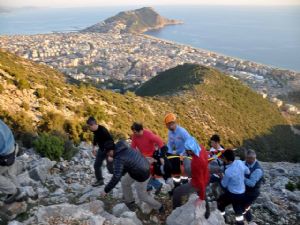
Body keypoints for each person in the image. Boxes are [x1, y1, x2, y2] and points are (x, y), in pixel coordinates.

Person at [102, 140, 164, 213]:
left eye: (108, 153)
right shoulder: (122, 144)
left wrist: (106, 190)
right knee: (124, 182)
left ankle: (160, 207)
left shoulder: (118, 159)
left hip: (142, 175)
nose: (108, 155)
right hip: (140, 166)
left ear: (110, 151)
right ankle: (130, 201)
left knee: (142, 196)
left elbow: (116, 177)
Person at [172, 137, 210, 218]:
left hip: (197, 182)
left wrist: (201, 198)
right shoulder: (201, 147)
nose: (186, 151)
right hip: (205, 175)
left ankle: (176, 212)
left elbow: (200, 182)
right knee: (202, 191)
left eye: (187, 150)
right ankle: (207, 212)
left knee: (176, 192)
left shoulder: (196, 162)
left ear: (191, 150)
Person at [217, 149, 250, 225]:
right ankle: (240, 223)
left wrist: (221, 177)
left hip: (232, 194)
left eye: (224, 158)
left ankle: (223, 219)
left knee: (220, 203)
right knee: (238, 212)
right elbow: (247, 171)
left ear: (227, 160)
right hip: (242, 193)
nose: (223, 160)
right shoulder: (240, 163)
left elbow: (224, 185)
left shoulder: (228, 171)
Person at [131, 122, 165, 194]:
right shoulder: (135, 136)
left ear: (140, 130)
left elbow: (160, 141)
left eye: (135, 132)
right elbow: (132, 147)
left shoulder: (148, 134)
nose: (134, 134)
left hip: (151, 155)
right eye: (133, 132)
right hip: (143, 156)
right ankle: (149, 186)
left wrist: (161, 155)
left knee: (142, 170)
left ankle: (156, 185)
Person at [0, 119, 25, 204]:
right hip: (13, 147)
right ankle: (20, 195)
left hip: (6, 156)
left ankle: (13, 192)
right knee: (9, 174)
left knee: (6, 172)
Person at [164, 113, 192, 185]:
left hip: (185, 154)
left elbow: (190, 142)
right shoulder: (170, 132)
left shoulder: (182, 131)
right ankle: (177, 185)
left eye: (171, 124)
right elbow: (170, 144)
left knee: (186, 170)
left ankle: (186, 184)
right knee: (175, 170)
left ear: (174, 123)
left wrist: (185, 152)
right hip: (177, 155)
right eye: (168, 125)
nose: (169, 126)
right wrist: (168, 153)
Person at [86, 116, 114, 187]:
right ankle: (100, 180)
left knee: (110, 169)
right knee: (96, 165)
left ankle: (121, 175)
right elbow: (95, 140)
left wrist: (111, 155)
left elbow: (111, 141)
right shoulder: (95, 131)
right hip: (101, 150)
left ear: (93, 124)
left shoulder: (103, 130)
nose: (89, 128)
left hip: (108, 150)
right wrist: (93, 148)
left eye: (90, 126)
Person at [243, 149, 264, 222]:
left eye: (248, 158)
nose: (246, 159)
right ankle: (246, 218)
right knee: (243, 204)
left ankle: (249, 220)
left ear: (253, 158)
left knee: (244, 206)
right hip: (246, 190)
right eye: (246, 157)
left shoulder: (258, 170)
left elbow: (251, 184)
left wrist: (242, 178)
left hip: (253, 192)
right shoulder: (245, 163)